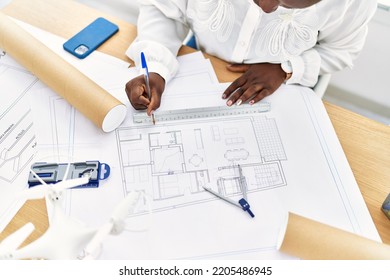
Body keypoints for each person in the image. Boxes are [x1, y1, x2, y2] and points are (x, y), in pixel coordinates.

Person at [125, 0, 377, 115]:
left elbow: (342, 50)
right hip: (203, 56)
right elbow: (165, 9)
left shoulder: (353, 4)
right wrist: (155, 65)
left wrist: (287, 69)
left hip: (283, 85)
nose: (265, 7)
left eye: (286, 6)